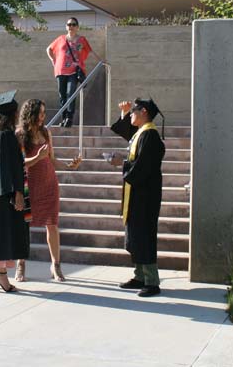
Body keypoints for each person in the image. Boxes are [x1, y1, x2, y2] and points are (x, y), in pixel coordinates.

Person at [14, 99, 82, 282]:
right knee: (23, 226)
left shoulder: (46, 132)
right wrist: (36, 156)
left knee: (52, 224)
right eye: (40, 113)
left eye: (44, 113)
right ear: (31, 114)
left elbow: (51, 159)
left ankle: (56, 265)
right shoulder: (20, 134)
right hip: (29, 184)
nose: (44, 117)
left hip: (49, 184)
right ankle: (20, 264)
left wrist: (69, 166)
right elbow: (18, 163)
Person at [107, 98, 166, 298]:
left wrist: (121, 163)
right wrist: (124, 114)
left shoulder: (151, 136)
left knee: (144, 236)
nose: (131, 113)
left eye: (133, 110)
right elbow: (130, 135)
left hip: (145, 197)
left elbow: (143, 166)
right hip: (137, 195)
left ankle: (152, 281)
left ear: (144, 112)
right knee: (136, 236)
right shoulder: (143, 133)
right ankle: (140, 276)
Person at [0, 90, 30, 293]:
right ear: (12, 115)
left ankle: (0, 275)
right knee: (3, 234)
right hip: (4, 196)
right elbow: (10, 169)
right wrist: (17, 192)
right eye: (16, 113)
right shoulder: (8, 137)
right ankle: (1, 276)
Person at [46, 17, 101, 127]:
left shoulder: (82, 40)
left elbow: (90, 51)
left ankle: (69, 118)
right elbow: (49, 49)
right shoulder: (61, 39)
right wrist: (53, 60)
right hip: (61, 71)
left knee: (70, 93)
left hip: (74, 71)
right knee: (62, 96)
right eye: (69, 24)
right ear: (66, 26)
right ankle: (64, 118)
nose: (71, 26)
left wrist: (101, 61)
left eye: (73, 24)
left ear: (77, 27)